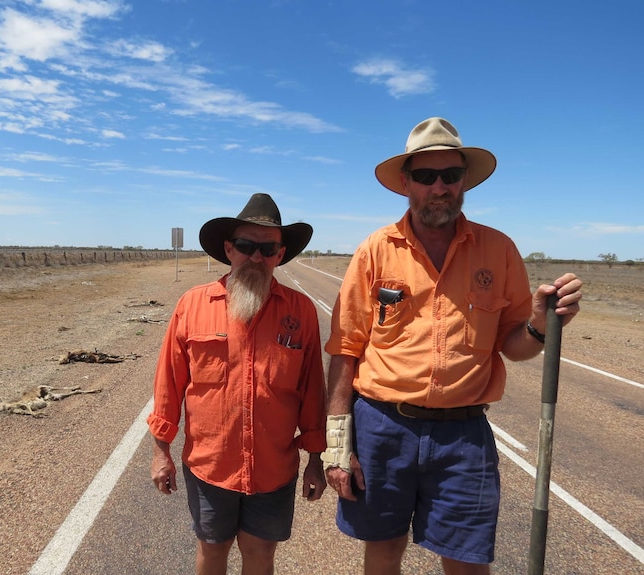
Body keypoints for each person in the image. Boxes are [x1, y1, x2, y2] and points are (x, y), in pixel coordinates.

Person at [322, 117, 583, 575]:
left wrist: (540, 326)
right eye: (426, 176)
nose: (439, 186)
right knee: (383, 551)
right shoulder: (374, 251)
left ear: (465, 181)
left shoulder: (498, 250)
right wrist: (337, 445)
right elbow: (346, 349)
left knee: (467, 561)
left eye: (450, 175)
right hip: (382, 427)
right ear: (406, 183)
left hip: (464, 437)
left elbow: (514, 345)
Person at [148, 193, 327, 575]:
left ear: (280, 254)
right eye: (246, 247)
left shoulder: (301, 311)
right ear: (229, 250)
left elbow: (313, 391)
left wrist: (316, 459)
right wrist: (160, 451)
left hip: (274, 469)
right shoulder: (192, 305)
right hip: (210, 466)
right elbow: (168, 384)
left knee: (260, 554)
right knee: (212, 551)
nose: (257, 257)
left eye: (268, 248)